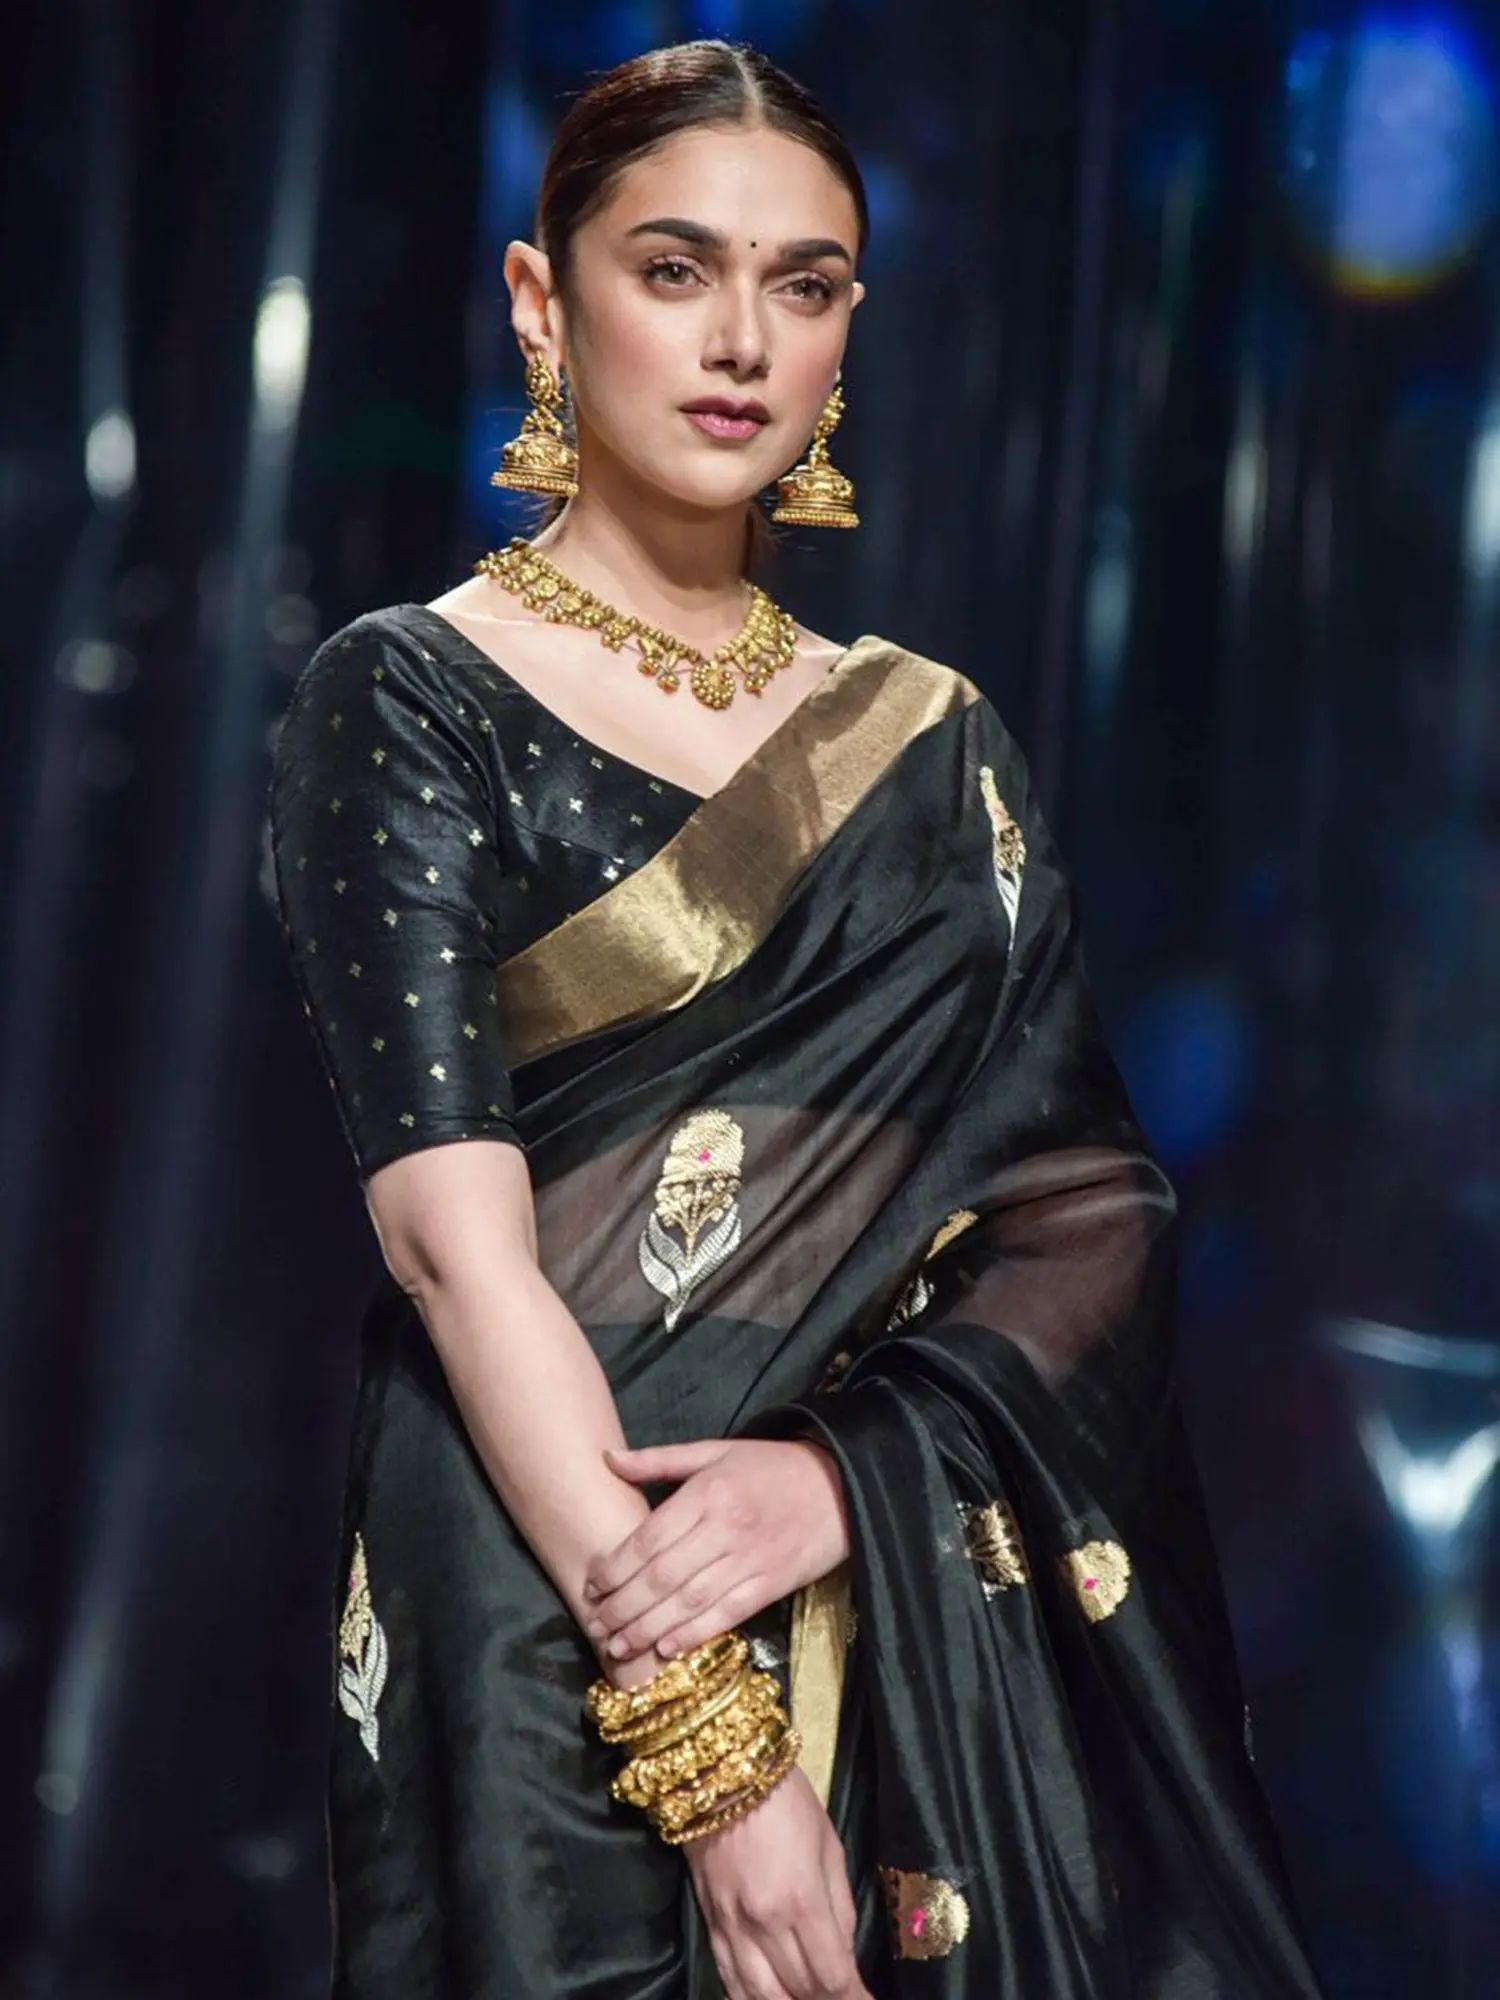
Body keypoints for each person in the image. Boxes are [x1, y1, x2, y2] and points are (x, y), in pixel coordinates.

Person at [269, 37, 1323, 2000]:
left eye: (806, 283)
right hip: (554, 1577)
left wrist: (844, 1479)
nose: (744, 340)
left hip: (881, 1580)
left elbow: (1084, 1210)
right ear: (541, 302)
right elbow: (452, 1250)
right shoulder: (408, 697)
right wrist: (705, 1738)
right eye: (675, 269)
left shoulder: (931, 746)